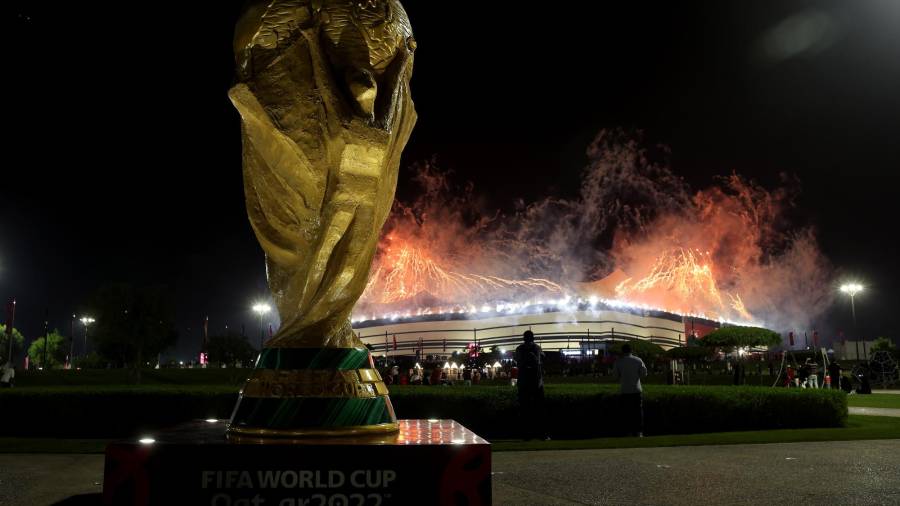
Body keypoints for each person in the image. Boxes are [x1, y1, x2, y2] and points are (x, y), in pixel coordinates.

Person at [515, 330, 547, 440]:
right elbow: (539, 362)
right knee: (539, 409)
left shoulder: (520, 349)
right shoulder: (537, 348)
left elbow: (518, 363)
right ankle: (541, 434)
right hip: (535, 382)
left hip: (524, 382)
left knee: (525, 409)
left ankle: (526, 434)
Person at [613, 343, 648, 437]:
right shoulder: (638, 360)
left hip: (625, 390)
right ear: (631, 350)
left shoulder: (619, 362)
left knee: (626, 413)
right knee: (638, 412)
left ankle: (628, 431)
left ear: (622, 351)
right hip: (636, 389)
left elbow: (615, 376)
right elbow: (644, 373)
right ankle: (639, 431)